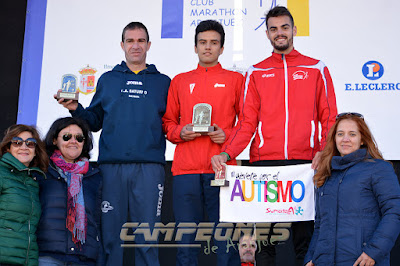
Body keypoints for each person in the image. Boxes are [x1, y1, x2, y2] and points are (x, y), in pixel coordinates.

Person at [211, 6, 338, 266]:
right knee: (266, 243)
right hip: (265, 167)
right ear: (267, 34)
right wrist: (226, 153)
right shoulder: (256, 72)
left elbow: (329, 119)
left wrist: (323, 153)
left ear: (293, 30)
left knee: (306, 241)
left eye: (284, 27)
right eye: (273, 29)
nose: (279, 33)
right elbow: (247, 122)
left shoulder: (316, 68)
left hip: (305, 166)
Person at [56, 22, 170, 266]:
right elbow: (94, 122)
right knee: (110, 237)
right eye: (130, 41)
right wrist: (75, 108)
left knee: (147, 237)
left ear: (149, 45)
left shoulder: (163, 82)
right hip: (111, 168)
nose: (136, 46)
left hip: (149, 168)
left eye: (141, 41)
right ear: (122, 45)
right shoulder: (108, 80)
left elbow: (171, 124)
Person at [162, 20, 243, 265]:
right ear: (195, 47)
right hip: (185, 170)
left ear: (222, 48)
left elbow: (246, 124)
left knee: (224, 240)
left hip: (222, 169)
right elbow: (167, 123)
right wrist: (180, 131)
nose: (208, 47)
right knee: (186, 241)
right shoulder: (180, 81)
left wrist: (226, 135)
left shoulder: (236, 80)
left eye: (214, 43)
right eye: (203, 43)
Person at [304, 112, 400, 265]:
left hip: (361, 261)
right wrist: (311, 257)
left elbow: (394, 212)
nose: (345, 139)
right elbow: (320, 223)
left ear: (362, 139)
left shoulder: (379, 169)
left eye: (352, 134)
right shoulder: (326, 173)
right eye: (340, 134)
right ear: (334, 139)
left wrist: (374, 252)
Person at [36, 117, 103, 265]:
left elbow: (99, 223)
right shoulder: (41, 172)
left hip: (84, 259)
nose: (73, 141)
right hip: (48, 256)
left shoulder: (95, 177)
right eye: (67, 137)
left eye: (79, 138)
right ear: (54, 140)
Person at [0, 124, 48, 265]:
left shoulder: (33, 182)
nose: (24, 147)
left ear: (35, 150)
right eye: (17, 142)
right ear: (8, 148)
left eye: (30, 143)